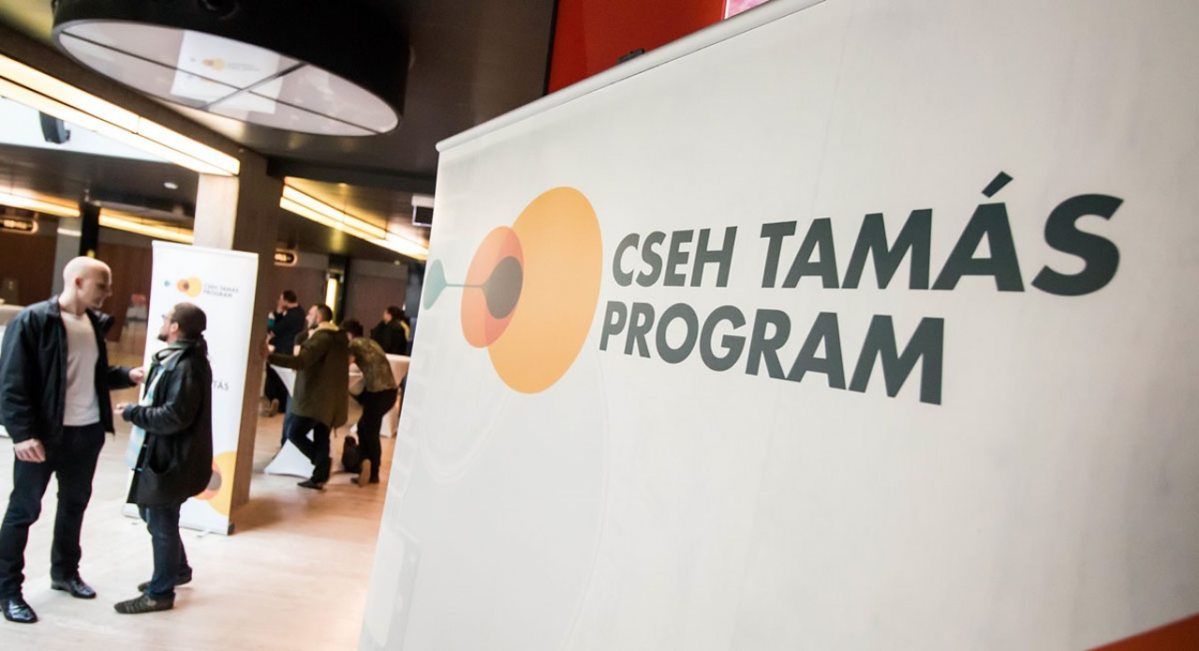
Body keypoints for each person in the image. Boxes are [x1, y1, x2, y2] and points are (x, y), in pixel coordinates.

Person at [0, 257, 144, 624]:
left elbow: (92, 374)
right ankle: (7, 591)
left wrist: (126, 375)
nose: (108, 293)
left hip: (86, 432)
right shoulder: (33, 321)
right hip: (43, 437)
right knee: (23, 511)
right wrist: (22, 434)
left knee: (74, 505)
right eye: (102, 285)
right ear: (78, 281)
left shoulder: (93, 324)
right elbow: (12, 383)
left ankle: (65, 572)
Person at [112, 303, 213, 615]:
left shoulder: (187, 364)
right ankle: (177, 570)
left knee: (161, 520)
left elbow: (174, 416)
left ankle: (160, 593)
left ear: (175, 327)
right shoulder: (178, 359)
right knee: (153, 513)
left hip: (172, 459)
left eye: (166, 318)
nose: (162, 321)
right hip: (165, 455)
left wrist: (134, 413)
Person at [265, 304, 348, 490]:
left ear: (319, 317)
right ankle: (319, 476)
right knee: (321, 436)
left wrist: (270, 357)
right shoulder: (339, 338)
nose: (306, 317)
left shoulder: (321, 337)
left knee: (294, 432)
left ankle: (321, 464)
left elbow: (301, 361)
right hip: (330, 398)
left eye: (310, 314)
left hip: (315, 398)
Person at [340, 319, 397, 486]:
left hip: (377, 392)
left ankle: (370, 469)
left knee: (369, 431)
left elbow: (345, 364)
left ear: (348, 334)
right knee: (366, 427)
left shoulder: (353, 345)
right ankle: (369, 467)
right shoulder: (371, 342)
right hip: (390, 391)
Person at [263, 290, 304, 417]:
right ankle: (281, 403)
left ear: (286, 300)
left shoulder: (290, 315)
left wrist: (278, 312)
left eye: (281, 299)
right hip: (290, 349)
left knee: (272, 374)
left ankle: (274, 398)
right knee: (283, 377)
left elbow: (275, 330)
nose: (279, 301)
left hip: (280, 348)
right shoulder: (300, 313)